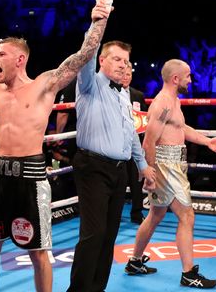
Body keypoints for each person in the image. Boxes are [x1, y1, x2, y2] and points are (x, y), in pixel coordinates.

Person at [0, 0, 114, 292]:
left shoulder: (44, 85)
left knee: (38, 253)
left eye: (0, 54)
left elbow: (83, 56)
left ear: (19, 59)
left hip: (30, 179)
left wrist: (100, 17)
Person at [126, 59, 216, 289]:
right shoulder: (162, 103)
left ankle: (134, 261)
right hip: (166, 164)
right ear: (175, 79)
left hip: (172, 163)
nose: (191, 80)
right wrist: (148, 172)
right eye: (188, 76)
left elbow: (181, 129)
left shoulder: (174, 102)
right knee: (187, 216)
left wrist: (207, 141)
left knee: (156, 215)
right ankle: (188, 273)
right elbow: (149, 141)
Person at [67, 40, 154, 292]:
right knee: (94, 233)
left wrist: (143, 165)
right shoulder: (89, 83)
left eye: (126, 61)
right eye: (117, 59)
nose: (123, 65)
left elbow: (130, 133)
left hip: (119, 169)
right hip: (92, 167)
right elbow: (87, 54)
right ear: (102, 60)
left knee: (109, 234)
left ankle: (97, 288)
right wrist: (99, 20)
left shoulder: (124, 94)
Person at [122, 63, 148, 224]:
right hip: (118, 145)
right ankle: (114, 214)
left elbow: (144, 120)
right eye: (123, 74)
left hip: (135, 144)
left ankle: (137, 213)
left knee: (137, 181)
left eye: (128, 75)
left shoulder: (137, 95)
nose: (126, 77)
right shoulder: (112, 94)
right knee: (118, 181)